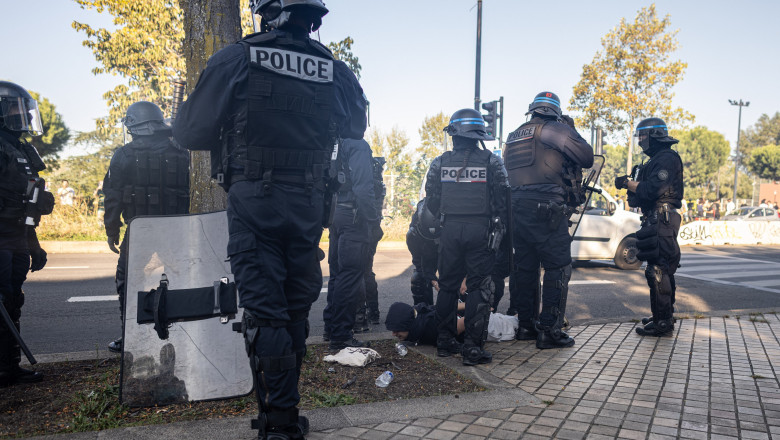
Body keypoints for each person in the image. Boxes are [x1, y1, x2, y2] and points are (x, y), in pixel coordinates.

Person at [172, 0, 366, 437]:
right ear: (310, 17)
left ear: (266, 12)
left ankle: (278, 423)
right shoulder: (334, 69)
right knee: (295, 311)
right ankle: (283, 412)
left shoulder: (237, 58)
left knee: (267, 312)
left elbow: (189, 133)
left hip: (255, 200)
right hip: (309, 204)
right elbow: (355, 128)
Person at [503, 91, 594, 349]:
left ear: (532, 110)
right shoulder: (554, 130)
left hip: (516, 210)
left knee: (526, 269)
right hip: (546, 211)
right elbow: (586, 157)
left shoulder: (513, 136)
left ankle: (526, 326)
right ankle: (549, 331)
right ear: (554, 111)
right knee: (558, 267)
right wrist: (569, 128)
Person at [423, 108, 510, 366]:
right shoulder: (492, 162)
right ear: (478, 135)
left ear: (454, 134)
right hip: (480, 231)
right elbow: (503, 201)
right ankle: (472, 349)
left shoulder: (439, 162)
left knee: (448, 286)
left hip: (450, 230)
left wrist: (448, 217)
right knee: (479, 288)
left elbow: (432, 200)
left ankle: (444, 342)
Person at [102, 101, 190, 353]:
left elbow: (113, 197)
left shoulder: (124, 155)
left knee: (129, 283)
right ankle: (181, 333)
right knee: (180, 281)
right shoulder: (181, 153)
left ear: (133, 126)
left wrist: (111, 231)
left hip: (140, 231)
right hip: (176, 231)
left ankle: (132, 336)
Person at [0, 80, 54, 386]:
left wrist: (34, 244)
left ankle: (8, 368)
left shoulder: (21, 149)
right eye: (15, 108)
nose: (23, 115)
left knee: (11, 302)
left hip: (16, 238)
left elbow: (31, 204)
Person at [615, 117, 683, 337]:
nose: (641, 141)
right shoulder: (655, 160)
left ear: (654, 135)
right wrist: (633, 184)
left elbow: (652, 189)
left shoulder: (667, 158)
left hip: (662, 218)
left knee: (659, 270)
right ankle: (662, 315)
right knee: (658, 267)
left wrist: (627, 183)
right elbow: (638, 198)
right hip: (655, 218)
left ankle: (663, 323)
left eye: (643, 136)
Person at [322, 137, 378, 347]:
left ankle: (331, 328)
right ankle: (341, 336)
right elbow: (364, 188)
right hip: (353, 216)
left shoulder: (333, 142)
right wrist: (372, 221)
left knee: (337, 275)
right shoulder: (357, 145)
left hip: (335, 214)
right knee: (351, 277)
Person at [353, 156, 386, 328]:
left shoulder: (368, 185)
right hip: (372, 229)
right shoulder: (379, 185)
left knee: (360, 272)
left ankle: (361, 316)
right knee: (367, 271)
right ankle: (373, 312)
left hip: (364, 229)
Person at [406, 198, 440, 306]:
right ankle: (424, 313)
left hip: (448, 243)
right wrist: (433, 281)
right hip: (425, 248)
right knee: (419, 278)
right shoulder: (414, 234)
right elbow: (420, 263)